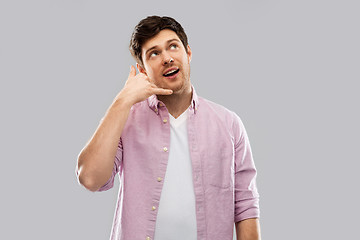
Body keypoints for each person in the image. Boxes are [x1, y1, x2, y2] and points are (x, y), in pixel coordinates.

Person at [76, 15, 261, 240]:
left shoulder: (229, 124)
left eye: (173, 47)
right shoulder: (126, 120)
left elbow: (246, 206)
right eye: (154, 53)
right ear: (143, 70)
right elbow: (90, 179)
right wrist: (122, 101)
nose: (166, 58)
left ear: (188, 53)